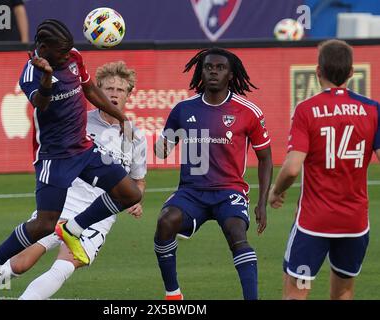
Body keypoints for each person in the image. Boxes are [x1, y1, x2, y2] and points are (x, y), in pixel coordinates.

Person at [0, 19, 141, 300]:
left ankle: (73, 229)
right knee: (43, 224)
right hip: (54, 157)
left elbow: (89, 89)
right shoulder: (30, 74)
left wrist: (123, 118)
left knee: (129, 192)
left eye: (68, 51)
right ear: (43, 49)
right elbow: (41, 103)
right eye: (61, 52)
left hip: (84, 149)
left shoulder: (74, 57)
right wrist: (46, 78)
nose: (67, 56)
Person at [153, 47, 273, 300]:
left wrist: (262, 202)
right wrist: (154, 144)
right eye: (209, 67)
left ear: (230, 74)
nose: (213, 72)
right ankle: (173, 294)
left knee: (237, 234)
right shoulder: (183, 109)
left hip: (229, 192)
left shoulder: (248, 111)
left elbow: (266, 158)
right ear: (202, 71)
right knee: (165, 222)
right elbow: (164, 149)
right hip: (191, 192)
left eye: (220, 68)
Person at [268, 39, 380, 300]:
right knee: (343, 293)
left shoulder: (306, 110)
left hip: (313, 224)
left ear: (318, 71)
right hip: (354, 223)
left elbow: (293, 167)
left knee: (298, 291)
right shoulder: (373, 110)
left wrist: (276, 191)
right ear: (352, 73)